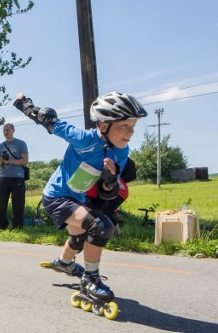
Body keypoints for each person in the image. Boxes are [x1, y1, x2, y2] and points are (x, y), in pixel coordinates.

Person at [14, 91, 147, 304]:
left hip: (76, 197)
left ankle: (64, 263)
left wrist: (110, 180)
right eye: (125, 126)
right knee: (101, 226)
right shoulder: (83, 139)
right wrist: (24, 104)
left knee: (80, 237)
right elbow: (49, 121)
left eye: (133, 126)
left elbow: (107, 193)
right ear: (104, 126)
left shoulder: (121, 152)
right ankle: (91, 278)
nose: (130, 132)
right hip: (56, 196)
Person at [0, 123, 28, 230]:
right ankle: (2, 226)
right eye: (4, 130)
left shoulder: (21, 143)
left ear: (13, 130)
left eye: (8, 130)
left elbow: (25, 161)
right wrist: (0, 161)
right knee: (0, 203)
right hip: (4, 177)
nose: (6, 132)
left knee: (18, 203)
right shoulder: (0, 146)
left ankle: (18, 227)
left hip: (18, 177)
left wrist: (10, 161)